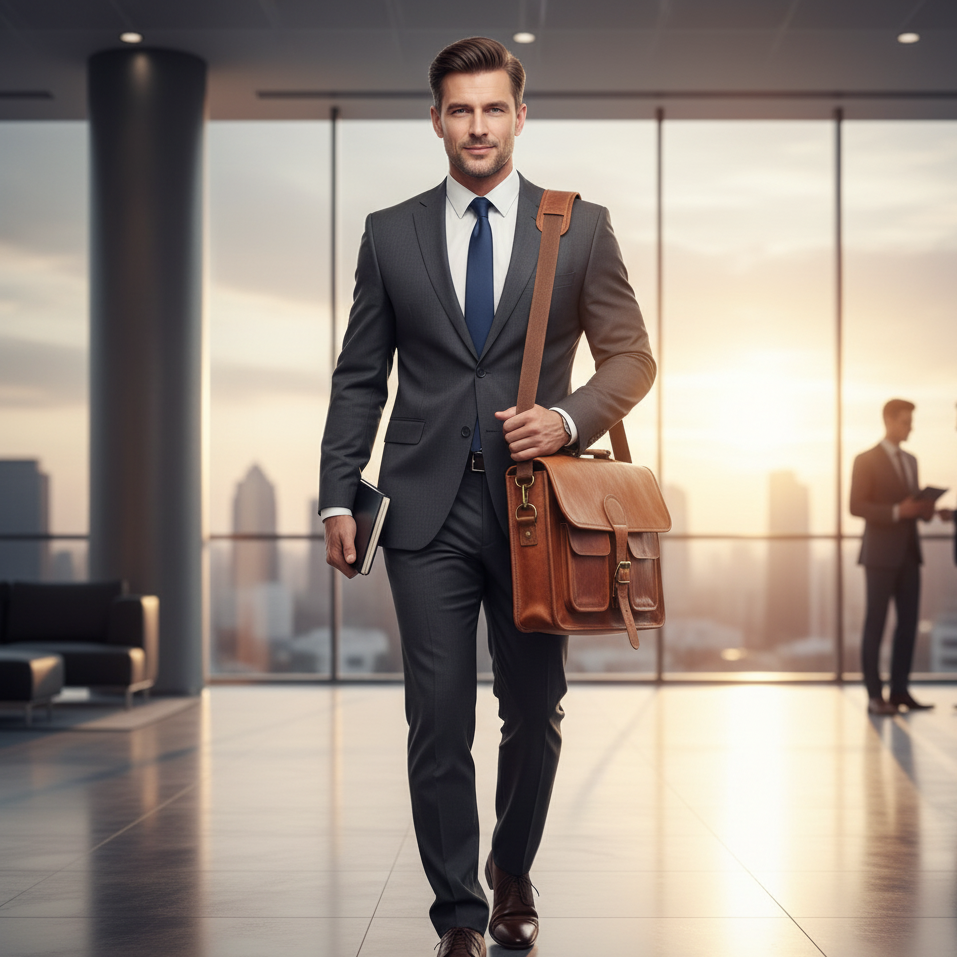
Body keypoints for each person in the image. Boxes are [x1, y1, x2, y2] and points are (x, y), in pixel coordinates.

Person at [319, 36, 654, 957]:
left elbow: (632, 357)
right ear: (436, 120)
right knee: (435, 717)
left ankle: (513, 867)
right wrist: (337, 496)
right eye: (459, 110)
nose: (476, 125)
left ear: (519, 115)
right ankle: (459, 914)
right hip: (422, 509)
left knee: (534, 709)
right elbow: (360, 378)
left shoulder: (577, 225)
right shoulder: (390, 233)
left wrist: (567, 416)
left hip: (538, 512)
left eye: (492, 108)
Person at [850, 399, 935, 716]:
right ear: (888, 420)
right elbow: (856, 506)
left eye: (911, 421)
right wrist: (898, 511)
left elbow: (912, 506)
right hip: (880, 555)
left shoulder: (911, 461)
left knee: (908, 625)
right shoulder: (866, 460)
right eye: (904, 421)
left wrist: (924, 510)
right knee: (876, 624)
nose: (910, 427)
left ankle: (900, 691)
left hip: (910, 554)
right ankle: (875, 696)